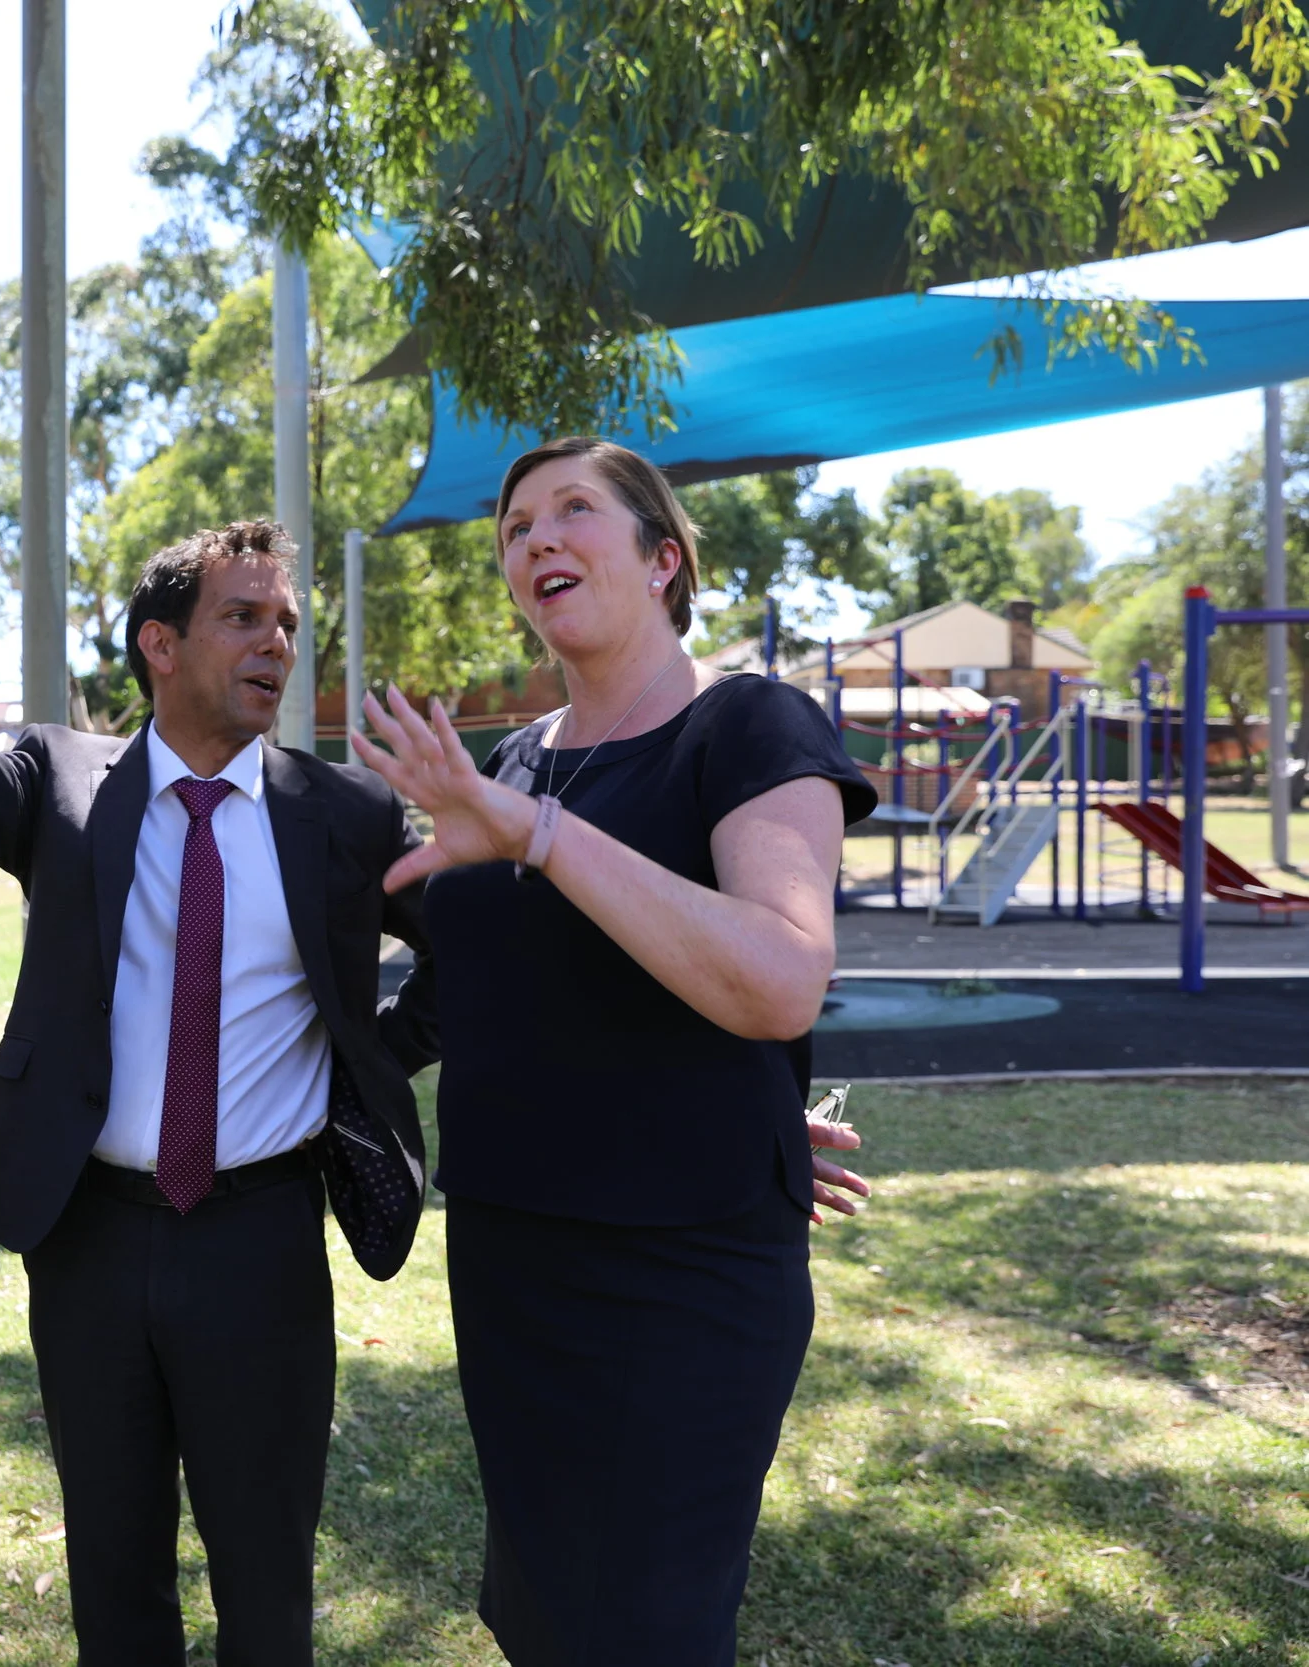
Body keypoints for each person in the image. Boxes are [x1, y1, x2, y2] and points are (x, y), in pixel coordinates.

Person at [0, 434, 435, 1667]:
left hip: (263, 1242)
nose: (275, 641)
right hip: (90, 1239)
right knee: (112, 1568)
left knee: (266, 1574)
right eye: (242, 617)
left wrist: (372, 1057)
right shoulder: (64, 783)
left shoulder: (346, 816)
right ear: (159, 645)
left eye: (284, 620)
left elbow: (471, 951)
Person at [355, 435, 873, 1667]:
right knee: (541, 1613)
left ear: (663, 560)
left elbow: (779, 977)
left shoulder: (747, 723)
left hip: (678, 1274)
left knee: (643, 1624)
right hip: (511, 1257)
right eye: (515, 527)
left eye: (572, 511)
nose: (536, 537)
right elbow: (489, 987)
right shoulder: (517, 762)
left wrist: (532, 833)